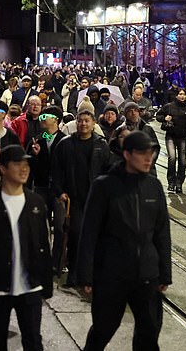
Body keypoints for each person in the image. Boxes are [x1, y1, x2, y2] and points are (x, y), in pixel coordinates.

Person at [77, 131, 171, 351]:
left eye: (151, 152)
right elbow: (89, 231)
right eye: (142, 153)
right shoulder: (105, 186)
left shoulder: (153, 186)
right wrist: (86, 274)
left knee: (149, 332)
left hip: (147, 274)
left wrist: (164, 272)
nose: (149, 158)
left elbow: (162, 232)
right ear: (127, 154)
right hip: (112, 274)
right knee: (103, 328)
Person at [0, 145, 53, 351]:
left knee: (33, 340)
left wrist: (46, 280)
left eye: (26, 164)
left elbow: (44, 242)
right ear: (3, 168)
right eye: (18, 164)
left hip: (30, 285)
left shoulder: (36, 202)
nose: (24, 169)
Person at [52, 108, 110, 289]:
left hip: (94, 200)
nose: (83, 124)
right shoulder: (65, 144)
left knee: (93, 237)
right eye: (80, 121)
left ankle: (90, 275)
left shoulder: (101, 145)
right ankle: (74, 273)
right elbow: (56, 171)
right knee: (76, 236)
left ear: (93, 124)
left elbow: (107, 171)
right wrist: (59, 191)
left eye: (87, 121)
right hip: (73, 199)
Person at [27, 105, 67, 274]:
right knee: (40, 227)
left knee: (59, 227)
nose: (42, 119)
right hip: (41, 187)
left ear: (56, 120)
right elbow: (29, 167)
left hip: (59, 191)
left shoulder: (65, 140)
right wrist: (36, 155)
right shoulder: (37, 140)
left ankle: (57, 263)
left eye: (46, 116)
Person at [155, 88, 186, 193]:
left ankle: (179, 182)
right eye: (180, 94)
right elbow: (158, 115)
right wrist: (164, 118)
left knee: (182, 160)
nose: (182, 96)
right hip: (171, 136)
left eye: (184, 94)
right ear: (176, 95)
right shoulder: (169, 106)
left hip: (183, 137)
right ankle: (171, 182)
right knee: (172, 158)